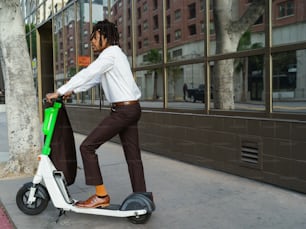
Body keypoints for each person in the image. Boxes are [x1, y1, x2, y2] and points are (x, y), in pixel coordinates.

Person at [46, 19, 147, 208]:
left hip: (123, 111)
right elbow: (94, 80)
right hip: (131, 109)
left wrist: (59, 91)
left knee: (87, 147)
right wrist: (71, 91)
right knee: (133, 156)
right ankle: (141, 198)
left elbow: (88, 73)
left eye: (95, 38)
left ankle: (101, 196)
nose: (91, 42)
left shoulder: (110, 54)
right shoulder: (115, 56)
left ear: (106, 37)